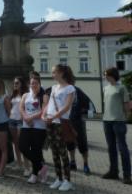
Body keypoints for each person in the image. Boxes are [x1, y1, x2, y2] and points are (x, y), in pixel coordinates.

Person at [43, 64, 75, 192]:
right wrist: (44, 114)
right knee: (54, 151)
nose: (52, 75)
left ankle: (67, 180)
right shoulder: (54, 88)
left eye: (54, 72)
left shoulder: (70, 88)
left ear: (61, 73)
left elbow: (67, 107)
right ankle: (59, 178)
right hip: (50, 121)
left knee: (62, 152)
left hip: (60, 122)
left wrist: (54, 116)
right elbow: (49, 104)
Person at [102, 67, 131, 184]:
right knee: (111, 148)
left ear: (112, 75)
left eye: (106, 74)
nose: (104, 76)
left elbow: (127, 106)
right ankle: (113, 172)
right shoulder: (105, 88)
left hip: (118, 121)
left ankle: (127, 175)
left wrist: (126, 118)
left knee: (122, 148)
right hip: (106, 121)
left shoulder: (122, 88)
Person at [19, 76, 49, 184]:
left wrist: (30, 118)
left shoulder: (44, 96)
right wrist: (26, 117)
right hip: (26, 125)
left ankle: (35, 175)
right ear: (29, 85)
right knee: (22, 146)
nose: (33, 85)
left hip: (39, 127)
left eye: (36, 83)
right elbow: (21, 107)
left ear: (40, 84)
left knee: (36, 150)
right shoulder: (25, 95)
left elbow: (43, 111)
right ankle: (41, 166)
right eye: (32, 83)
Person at [9, 76, 30, 176]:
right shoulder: (13, 94)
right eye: (14, 83)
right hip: (12, 119)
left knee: (22, 144)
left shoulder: (25, 95)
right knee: (16, 143)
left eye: (17, 83)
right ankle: (19, 163)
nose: (15, 85)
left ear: (22, 84)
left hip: (20, 121)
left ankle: (27, 167)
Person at [67, 86, 91, 174]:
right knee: (69, 143)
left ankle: (86, 164)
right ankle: (72, 162)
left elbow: (86, 102)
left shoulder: (77, 90)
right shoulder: (61, 90)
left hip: (78, 121)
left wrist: (81, 112)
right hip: (67, 121)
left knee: (82, 143)